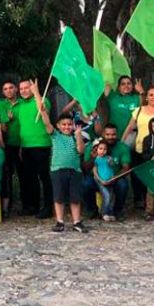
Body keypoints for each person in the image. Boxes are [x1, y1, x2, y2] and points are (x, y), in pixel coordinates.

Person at [33, 80, 88, 233]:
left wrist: (77, 136)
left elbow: (81, 151)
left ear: (73, 125)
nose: (66, 127)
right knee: (59, 197)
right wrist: (37, 93)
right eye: (63, 125)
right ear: (58, 126)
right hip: (57, 170)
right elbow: (43, 113)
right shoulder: (55, 135)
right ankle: (60, 221)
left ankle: (77, 221)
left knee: (75, 198)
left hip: (74, 171)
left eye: (69, 125)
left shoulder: (76, 136)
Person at [16, 79, 53, 219]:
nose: (24, 91)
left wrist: (37, 92)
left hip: (41, 145)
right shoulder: (20, 106)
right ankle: (33, 206)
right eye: (22, 88)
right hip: (26, 146)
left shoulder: (42, 100)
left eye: (27, 88)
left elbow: (42, 110)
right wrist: (20, 145)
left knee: (44, 177)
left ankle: (48, 207)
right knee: (30, 177)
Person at [81, 123, 131, 221]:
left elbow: (126, 168)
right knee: (85, 183)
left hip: (114, 178)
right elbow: (85, 168)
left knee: (123, 185)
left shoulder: (122, 147)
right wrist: (93, 157)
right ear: (103, 134)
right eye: (107, 134)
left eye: (113, 134)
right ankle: (92, 210)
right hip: (96, 178)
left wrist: (113, 178)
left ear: (117, 135)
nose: (110, 137)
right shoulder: (93, 145)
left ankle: (117, 211)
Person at [123, 86, 154, 210]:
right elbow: (130, 127)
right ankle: (139, 201)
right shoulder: (139, 110)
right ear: (146, 97)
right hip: (140, 148)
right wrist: (122, 141)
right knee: (139, 175)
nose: (153, 97)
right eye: (151, 95)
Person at [1, 80, 21, 219]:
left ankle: (28, 204)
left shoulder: (23, 103)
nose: (8, 90)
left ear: (16, 89)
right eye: (5, 88)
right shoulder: (1, 105)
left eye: (11, 88)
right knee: (7, 175)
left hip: (22, 144)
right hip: (6, 144)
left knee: (24, 175)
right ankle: (7, 206)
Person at [91, 140, 118, 222]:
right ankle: (104, 213)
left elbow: (112, 166)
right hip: (101, 181)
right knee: (106, 196)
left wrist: (113, 162)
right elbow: (95, 171)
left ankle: (110, 212)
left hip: (110, 181)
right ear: (96, 149)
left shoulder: (108, 158)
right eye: (100, 148)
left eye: (104, 149)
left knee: (111, 197)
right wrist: (100, 180)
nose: (102, 151)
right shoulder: (96, 159)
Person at [141, 118, 154, 220]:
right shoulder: (147, 139)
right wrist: (151, 156)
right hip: (151, 166)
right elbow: (144, 155)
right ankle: (149, 211)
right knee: (150, 189)